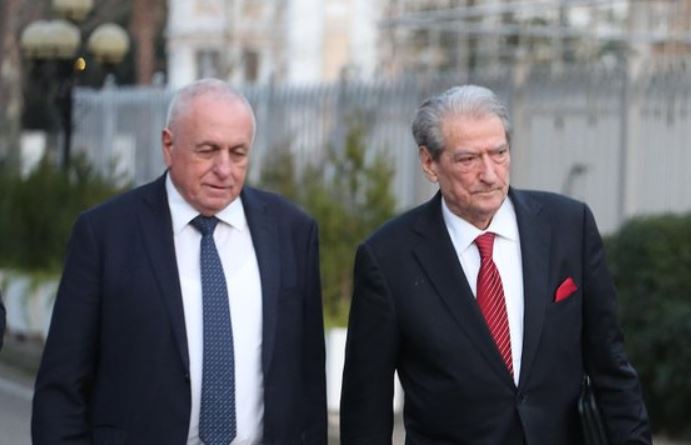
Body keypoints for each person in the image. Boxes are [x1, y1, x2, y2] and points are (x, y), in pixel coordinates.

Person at [340, 85, 651, 445]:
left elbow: (611, 368)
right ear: (429, 163)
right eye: (468, 159)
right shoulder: (388, 258)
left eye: (499, 153)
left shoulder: (569, 227)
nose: (489, 173)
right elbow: (366, 410)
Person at [32, 79, 327, 444]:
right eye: (208, 150)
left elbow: (310, 381)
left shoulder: (292, 232)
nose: (224, 168)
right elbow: (62, 386)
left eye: (238, 153)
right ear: (168, 146)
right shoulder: (105, 234)